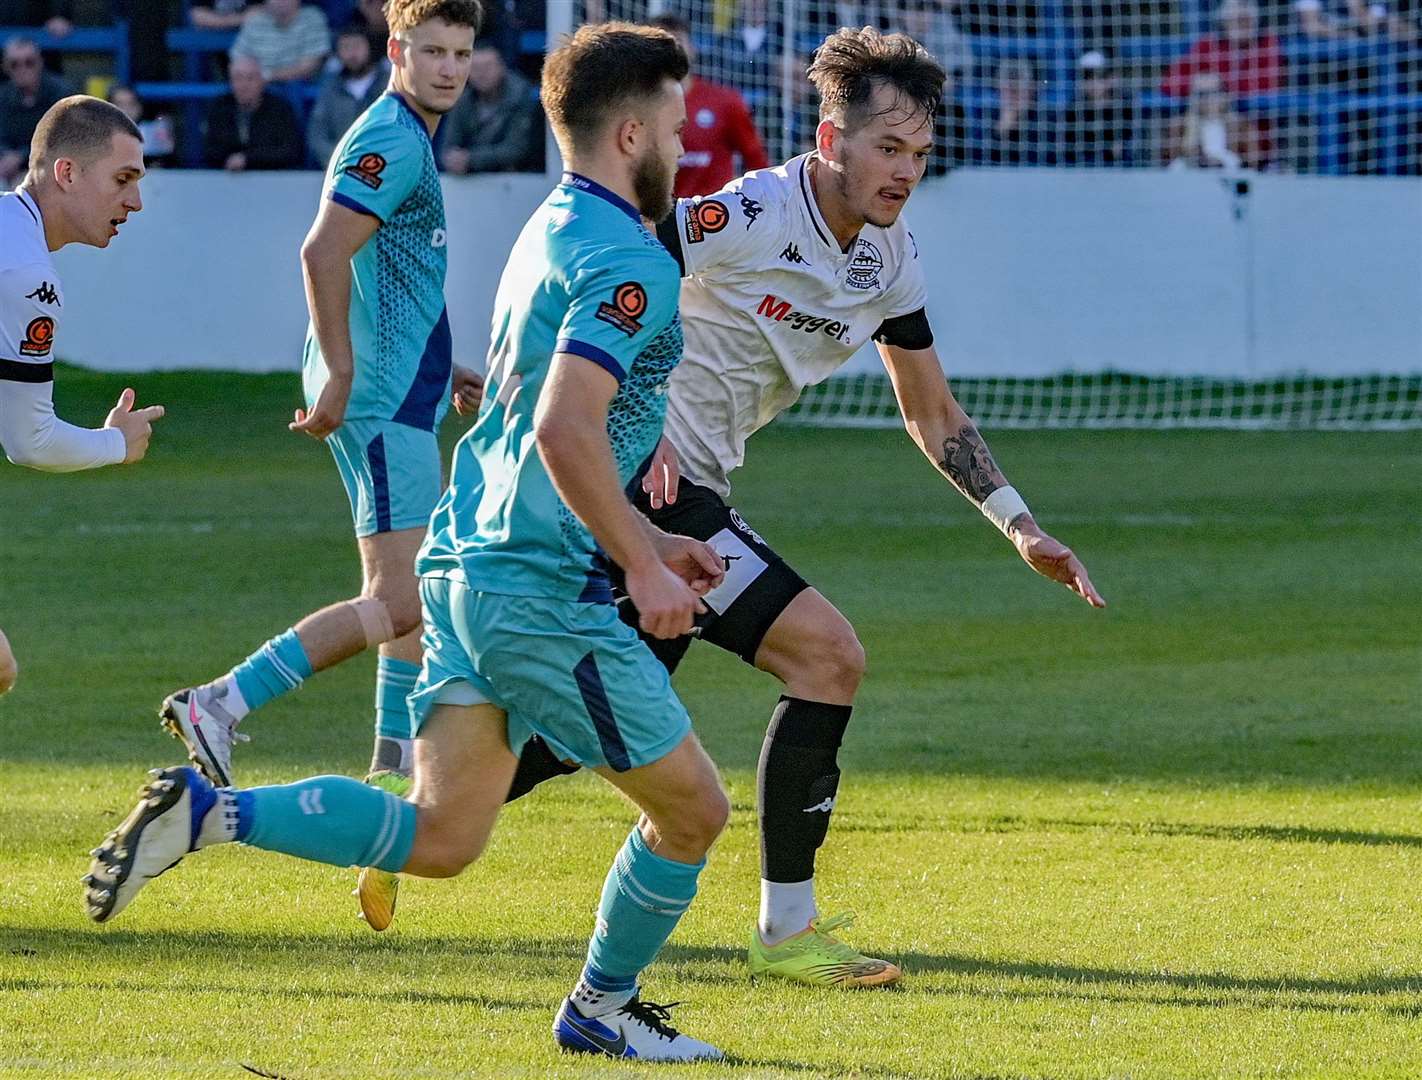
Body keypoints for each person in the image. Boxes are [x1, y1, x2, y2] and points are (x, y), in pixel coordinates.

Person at [86, 19, 733, 1064]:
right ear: (628, 134)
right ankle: (602, 1007)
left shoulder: (552, 230)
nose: (685, 143)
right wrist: (643, 562)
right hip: (538, 594)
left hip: (470, 574)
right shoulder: (629, 262)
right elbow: (568, 429)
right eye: (673, 122)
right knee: (694, 813)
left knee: (441, 837)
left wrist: (645, 529)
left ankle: (211, 814)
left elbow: (531, 429)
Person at [505, 27, 1106, 988]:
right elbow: (622, 263)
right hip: (647, 488)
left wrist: (1020, 523)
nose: (905, 171)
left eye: (918, 153)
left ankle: (411, 811)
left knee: (584, 733)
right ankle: (787, 929)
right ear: (831, 140)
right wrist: (633, 414)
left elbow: (933, 411)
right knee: (827, 653)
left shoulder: (892, 260)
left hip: (687, 494)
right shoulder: (750, 212)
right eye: (887, 148)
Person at [160, 0, 482, 931]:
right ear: (396, 50)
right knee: (406, 601)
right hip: (379, 403)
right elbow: (324, 249)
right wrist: (345, 371)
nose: (450, 68)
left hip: (401, 392)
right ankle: (221, 701)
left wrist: (441, 362)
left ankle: (386, 791)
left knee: (401, 596)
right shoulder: (391, 135)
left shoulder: (408, 136)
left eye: (462, 53)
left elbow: (393, 273)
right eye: (432, 51)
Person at [0, 95, 167, 693]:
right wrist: (115, 444)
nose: (136, 201)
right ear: (66, 173)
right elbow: (29, 439)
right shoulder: (26, 274)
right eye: (123, 179)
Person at [646, 14, 766, 198]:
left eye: (676, 40)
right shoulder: (638, 106)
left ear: (692, 48)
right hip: (658, 221)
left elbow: (757, 161)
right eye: (659, 42)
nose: (668, 49)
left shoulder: (725, 101)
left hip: (715, 218)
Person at [439, 42, 540, 174]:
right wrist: (453, 160)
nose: (482, 74)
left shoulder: (521, 97)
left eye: (487, 67)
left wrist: (471, 159)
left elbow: (517, 149)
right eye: (475, 68)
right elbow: (448, 148)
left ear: (502, 67)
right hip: (469, 182)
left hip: (517, 179)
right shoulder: (461, 100)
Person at [202, 54, 304, 171]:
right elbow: (210, 150)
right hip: (226, 180)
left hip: (272, 179)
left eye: (250, 78)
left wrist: (248, 159)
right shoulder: (219, 108)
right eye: (238, 78)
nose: (244, 85)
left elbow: (290, 151)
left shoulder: (281, 109)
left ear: (262, 81)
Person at [307, 25, 389, 168]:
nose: (352, 54)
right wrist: (341, 161)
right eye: (345, 47)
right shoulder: (330, 88)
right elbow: (317, 134)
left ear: (370, 47)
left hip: (383, 167)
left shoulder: (389, 85)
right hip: (339, 169)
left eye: (357, 46)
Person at [0, 36, 70, 187]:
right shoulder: (3, 96)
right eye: (14, 64)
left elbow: (61, 140)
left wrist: (21, 157)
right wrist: (6, 156)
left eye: (29, 62)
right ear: (5, 67)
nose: (22, 69)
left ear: (40, 63)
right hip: (6, 168)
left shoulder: (61, 95)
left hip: (50, 170)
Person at [1164, 70, 1262, 169]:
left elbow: (1254, 161)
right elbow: (1168, 160)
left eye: (1214, 93)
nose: (1208, 99)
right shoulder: (1179, 125)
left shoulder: (1241, 125)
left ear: (1225, 96)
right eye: (1201, 94)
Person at [1059, 50, 1135, 166]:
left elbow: (1122, 147)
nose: (1093, 83)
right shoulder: (1073, 110)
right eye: (1087, 78)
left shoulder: (1125, 107)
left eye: (1099, 76)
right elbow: (1071, 148)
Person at [229, 0, 331, 83]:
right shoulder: (255, 19)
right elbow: (239, 59)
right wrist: (255, 76)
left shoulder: (313, 18)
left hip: (299, 84)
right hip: (257, 86)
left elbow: (308, 66)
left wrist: (266, 76)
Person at [106, 85, 176, 167]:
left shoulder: (152, 130)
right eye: (120, 104)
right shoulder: (98, 134)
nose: (127, 109)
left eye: (131, 104)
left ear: (139, 106)